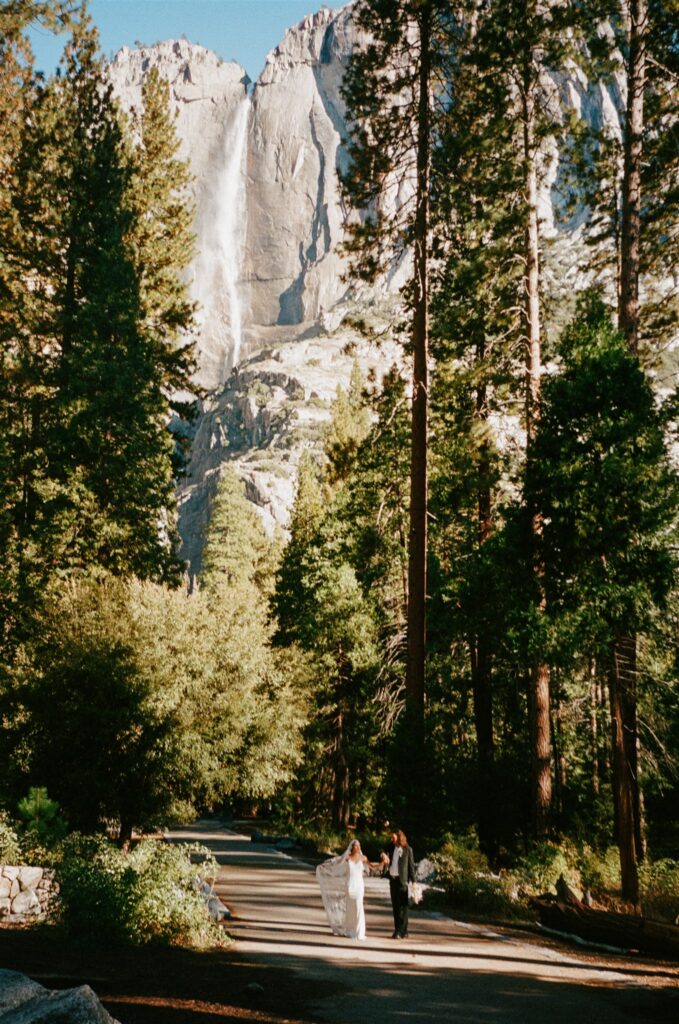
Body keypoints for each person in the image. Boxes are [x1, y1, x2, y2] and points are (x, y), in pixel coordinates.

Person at [316, 839, 380, 940]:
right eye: (356, 846)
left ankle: (359, 932)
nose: (358, 847)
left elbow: (373, 867)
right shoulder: (347, 858)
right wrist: (324, 866)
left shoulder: (363, 858)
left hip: (359, 885)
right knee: (350, 908)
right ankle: (351, 930)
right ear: (352, 847)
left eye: (359, 845)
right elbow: (336, 862)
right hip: (350, 885)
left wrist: (383, 863)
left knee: (358, 907)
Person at [380, 828, 416, 938]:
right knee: (395, 907)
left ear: (399, 838)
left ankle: (401, 931)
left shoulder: (408, 850)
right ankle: (398, 930)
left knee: (403, 908)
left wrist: (413, 881)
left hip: (402, 882)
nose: (392, 839)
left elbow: (411, 867)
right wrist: (383, 854)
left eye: (393, 837)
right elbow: (380, 849)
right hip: (393, 881)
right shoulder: (391, 847)